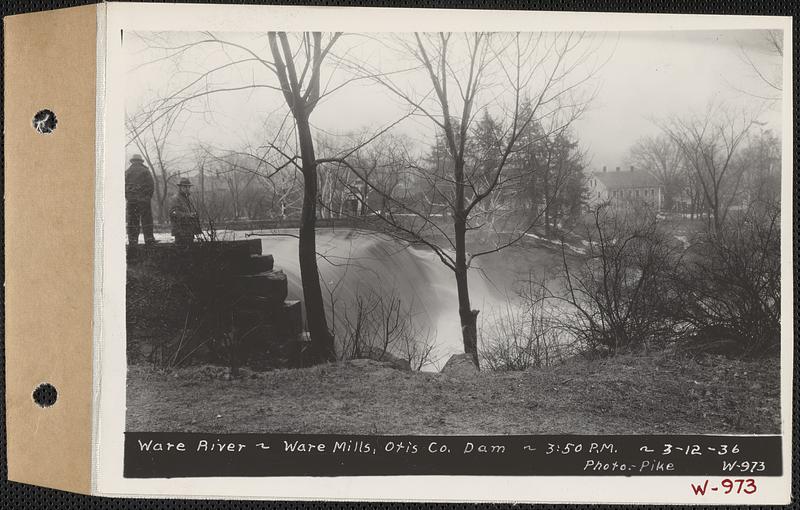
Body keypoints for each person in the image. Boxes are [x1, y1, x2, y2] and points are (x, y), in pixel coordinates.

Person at [125, 154, 157, 245]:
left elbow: (123, 187)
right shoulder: (145, 171)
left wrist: (128, 198)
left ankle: (133, 240)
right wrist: (147, 198)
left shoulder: (127, 172)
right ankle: (149, 239)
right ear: (141, 161)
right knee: (146, 219)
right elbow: (151, 186)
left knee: (132, 220)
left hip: (132, 202)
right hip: (144, 201)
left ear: (132, 161)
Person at [168, 177, 201, 246]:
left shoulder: (188, 199)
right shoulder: (176, 198)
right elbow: (174, 213)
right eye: (185, 187)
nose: (187, 188)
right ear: (180, 187)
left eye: (188, 187)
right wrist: (188, 215)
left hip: (189, 231)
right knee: (181, 252)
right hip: (180, 232)